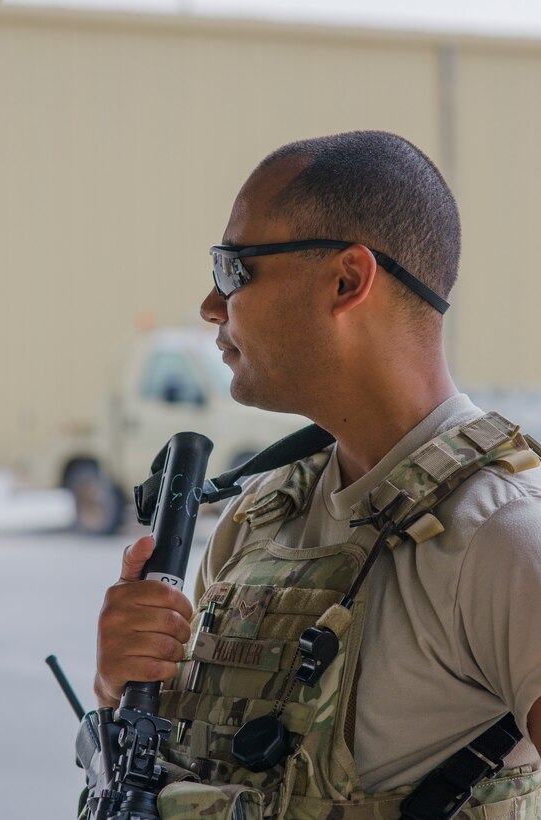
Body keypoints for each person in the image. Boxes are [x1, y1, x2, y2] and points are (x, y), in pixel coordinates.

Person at [95, 131, 541, 818]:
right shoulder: (259, 516)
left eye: (233, 269)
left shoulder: (501, 535)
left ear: (347, 281)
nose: (211, 304)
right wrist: (119, 685)